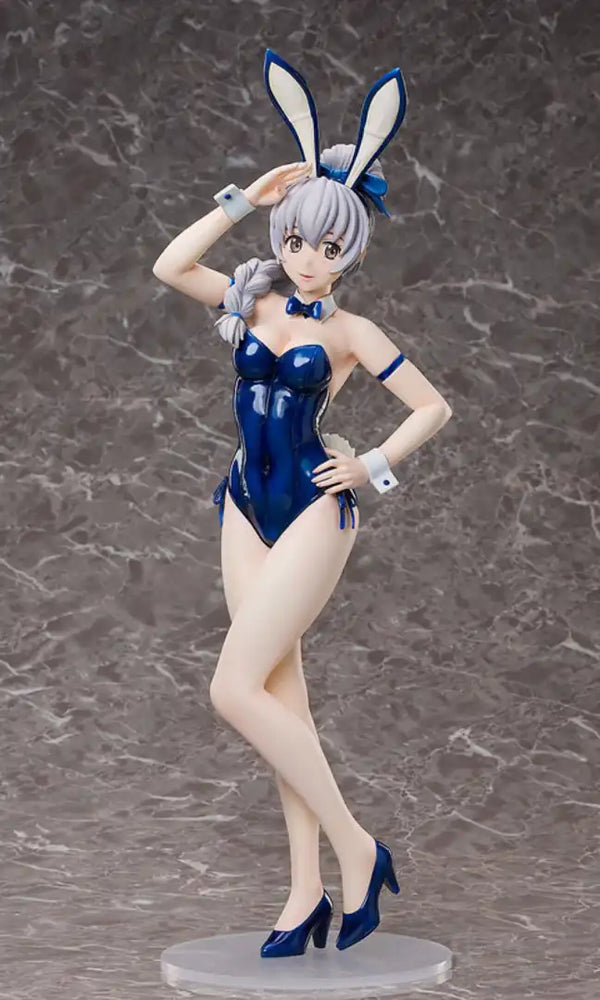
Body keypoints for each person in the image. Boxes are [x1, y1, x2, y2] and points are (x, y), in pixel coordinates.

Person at [152, 50, 452, 958]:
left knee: (232, 689)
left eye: (328, 248)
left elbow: (433, 408)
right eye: (296, 242)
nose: (309, 260)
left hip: (316, 509)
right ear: (280, 238)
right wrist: (242, 202)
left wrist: (372, 467)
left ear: (349, 252)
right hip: (245, 505)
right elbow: (169, 265)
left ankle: (358, 848)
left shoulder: (354, 331)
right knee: (281, 698)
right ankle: (304, 890)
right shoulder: (250, 303)